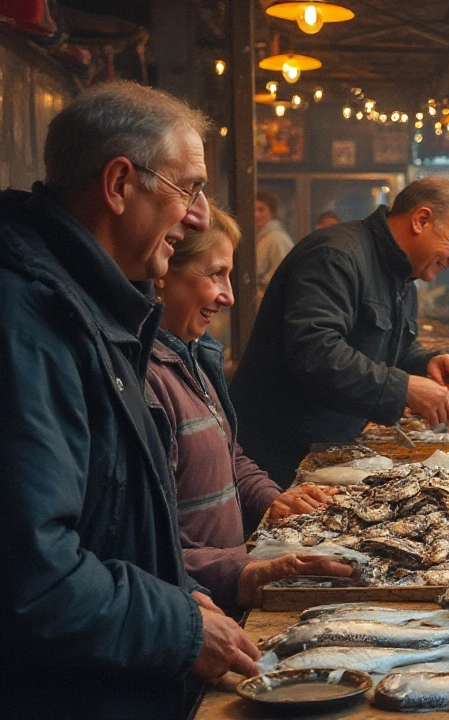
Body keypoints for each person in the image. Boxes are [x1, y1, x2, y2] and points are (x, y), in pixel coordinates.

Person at [0, 81, 260, 717]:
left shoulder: (97, 308)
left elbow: (109, 523)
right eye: (188, 188)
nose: (198, 215)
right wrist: (179, 625)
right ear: (119, 184)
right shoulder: (31, 318)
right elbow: (35, 578)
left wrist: (180, 587)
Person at [148, 204, 354, 617]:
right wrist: (244, 572)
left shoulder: (193, 356)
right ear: (162, 275)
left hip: (226, 596)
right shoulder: (147, 381)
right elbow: (149, 553)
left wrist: (271, 499)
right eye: (215, 274)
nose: (229, 296)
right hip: (196, 614)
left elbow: (230, 456)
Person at [231, 177, 449, 486]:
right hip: (275, 457)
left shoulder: (403, 275)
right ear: (421, 220)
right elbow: (315, 352)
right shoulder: (335, 256)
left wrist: (426, 360)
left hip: (324, 447)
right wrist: (403, 388)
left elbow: (388, 346)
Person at [255, 189, 294, 294]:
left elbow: (284, 274)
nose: (256, 215)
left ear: (272, 212)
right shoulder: (263, 237)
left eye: (261, 210)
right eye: (253, 210)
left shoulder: (276, 237)